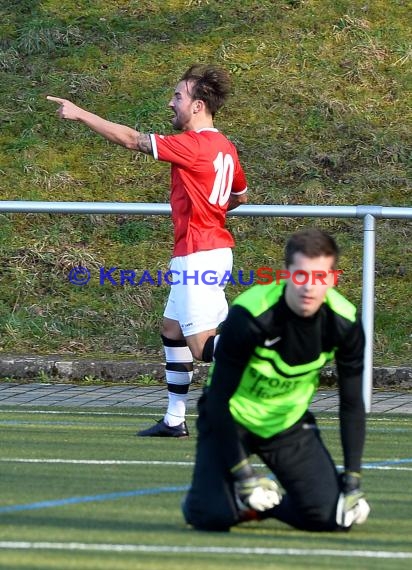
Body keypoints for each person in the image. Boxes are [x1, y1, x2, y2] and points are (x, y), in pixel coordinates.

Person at [47, 64, 248, 438]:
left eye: (178, 97)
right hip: (211, 249)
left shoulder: (195, 145)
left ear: (198, 106)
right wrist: (210, 208)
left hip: (199, 254)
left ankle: (273, 349)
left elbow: (130, 140)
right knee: (172, 330)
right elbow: (240, 195)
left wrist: (79, 112)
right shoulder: (224, 146)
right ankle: (174, 419)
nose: (171, 103)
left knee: (203, 345)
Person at [182, 228, 370, 532]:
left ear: (333, 279)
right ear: (285, 275)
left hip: (287, 426)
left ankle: (258, 506)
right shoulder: (250, 315)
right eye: (300, 276)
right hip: (232, 421)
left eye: (320, 277)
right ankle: (230, 497)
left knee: (333, 518)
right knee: (210, 516)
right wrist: (244, 476)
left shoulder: (344, 322)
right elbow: (217, 400)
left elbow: (351, 404)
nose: (309, 287)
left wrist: (352, 483)